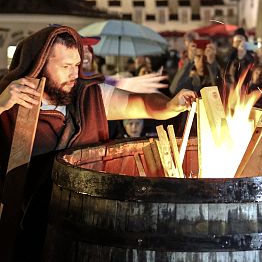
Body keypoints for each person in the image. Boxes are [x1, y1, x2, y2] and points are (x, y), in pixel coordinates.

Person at [0, 25, 196, 261]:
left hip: (90, 228)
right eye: (65, 67)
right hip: (28, 234)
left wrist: (169, 106)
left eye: (76, 65)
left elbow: (142, 104)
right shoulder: (9, 103)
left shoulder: (89, 95)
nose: (75, 74)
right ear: (39, 64)